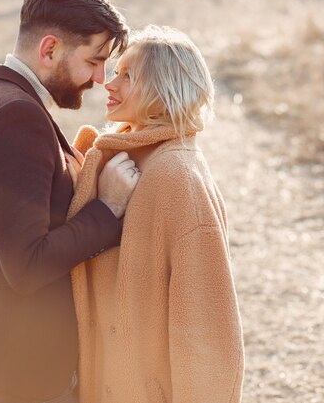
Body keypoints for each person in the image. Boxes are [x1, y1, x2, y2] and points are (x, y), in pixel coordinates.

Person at [0, 0, 139, 402]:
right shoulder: (14, 116)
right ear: (49, 49)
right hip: (17, 373)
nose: (100, 78)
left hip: (4, 363)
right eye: (94, 60)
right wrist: (108, 207)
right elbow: (27, 265)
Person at [67, 25, 244, 403]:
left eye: (128, 75)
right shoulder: (119, 157)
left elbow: (207, 330)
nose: (109, 84)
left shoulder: (175, 176)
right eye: (115, 71)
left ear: (165, 89)